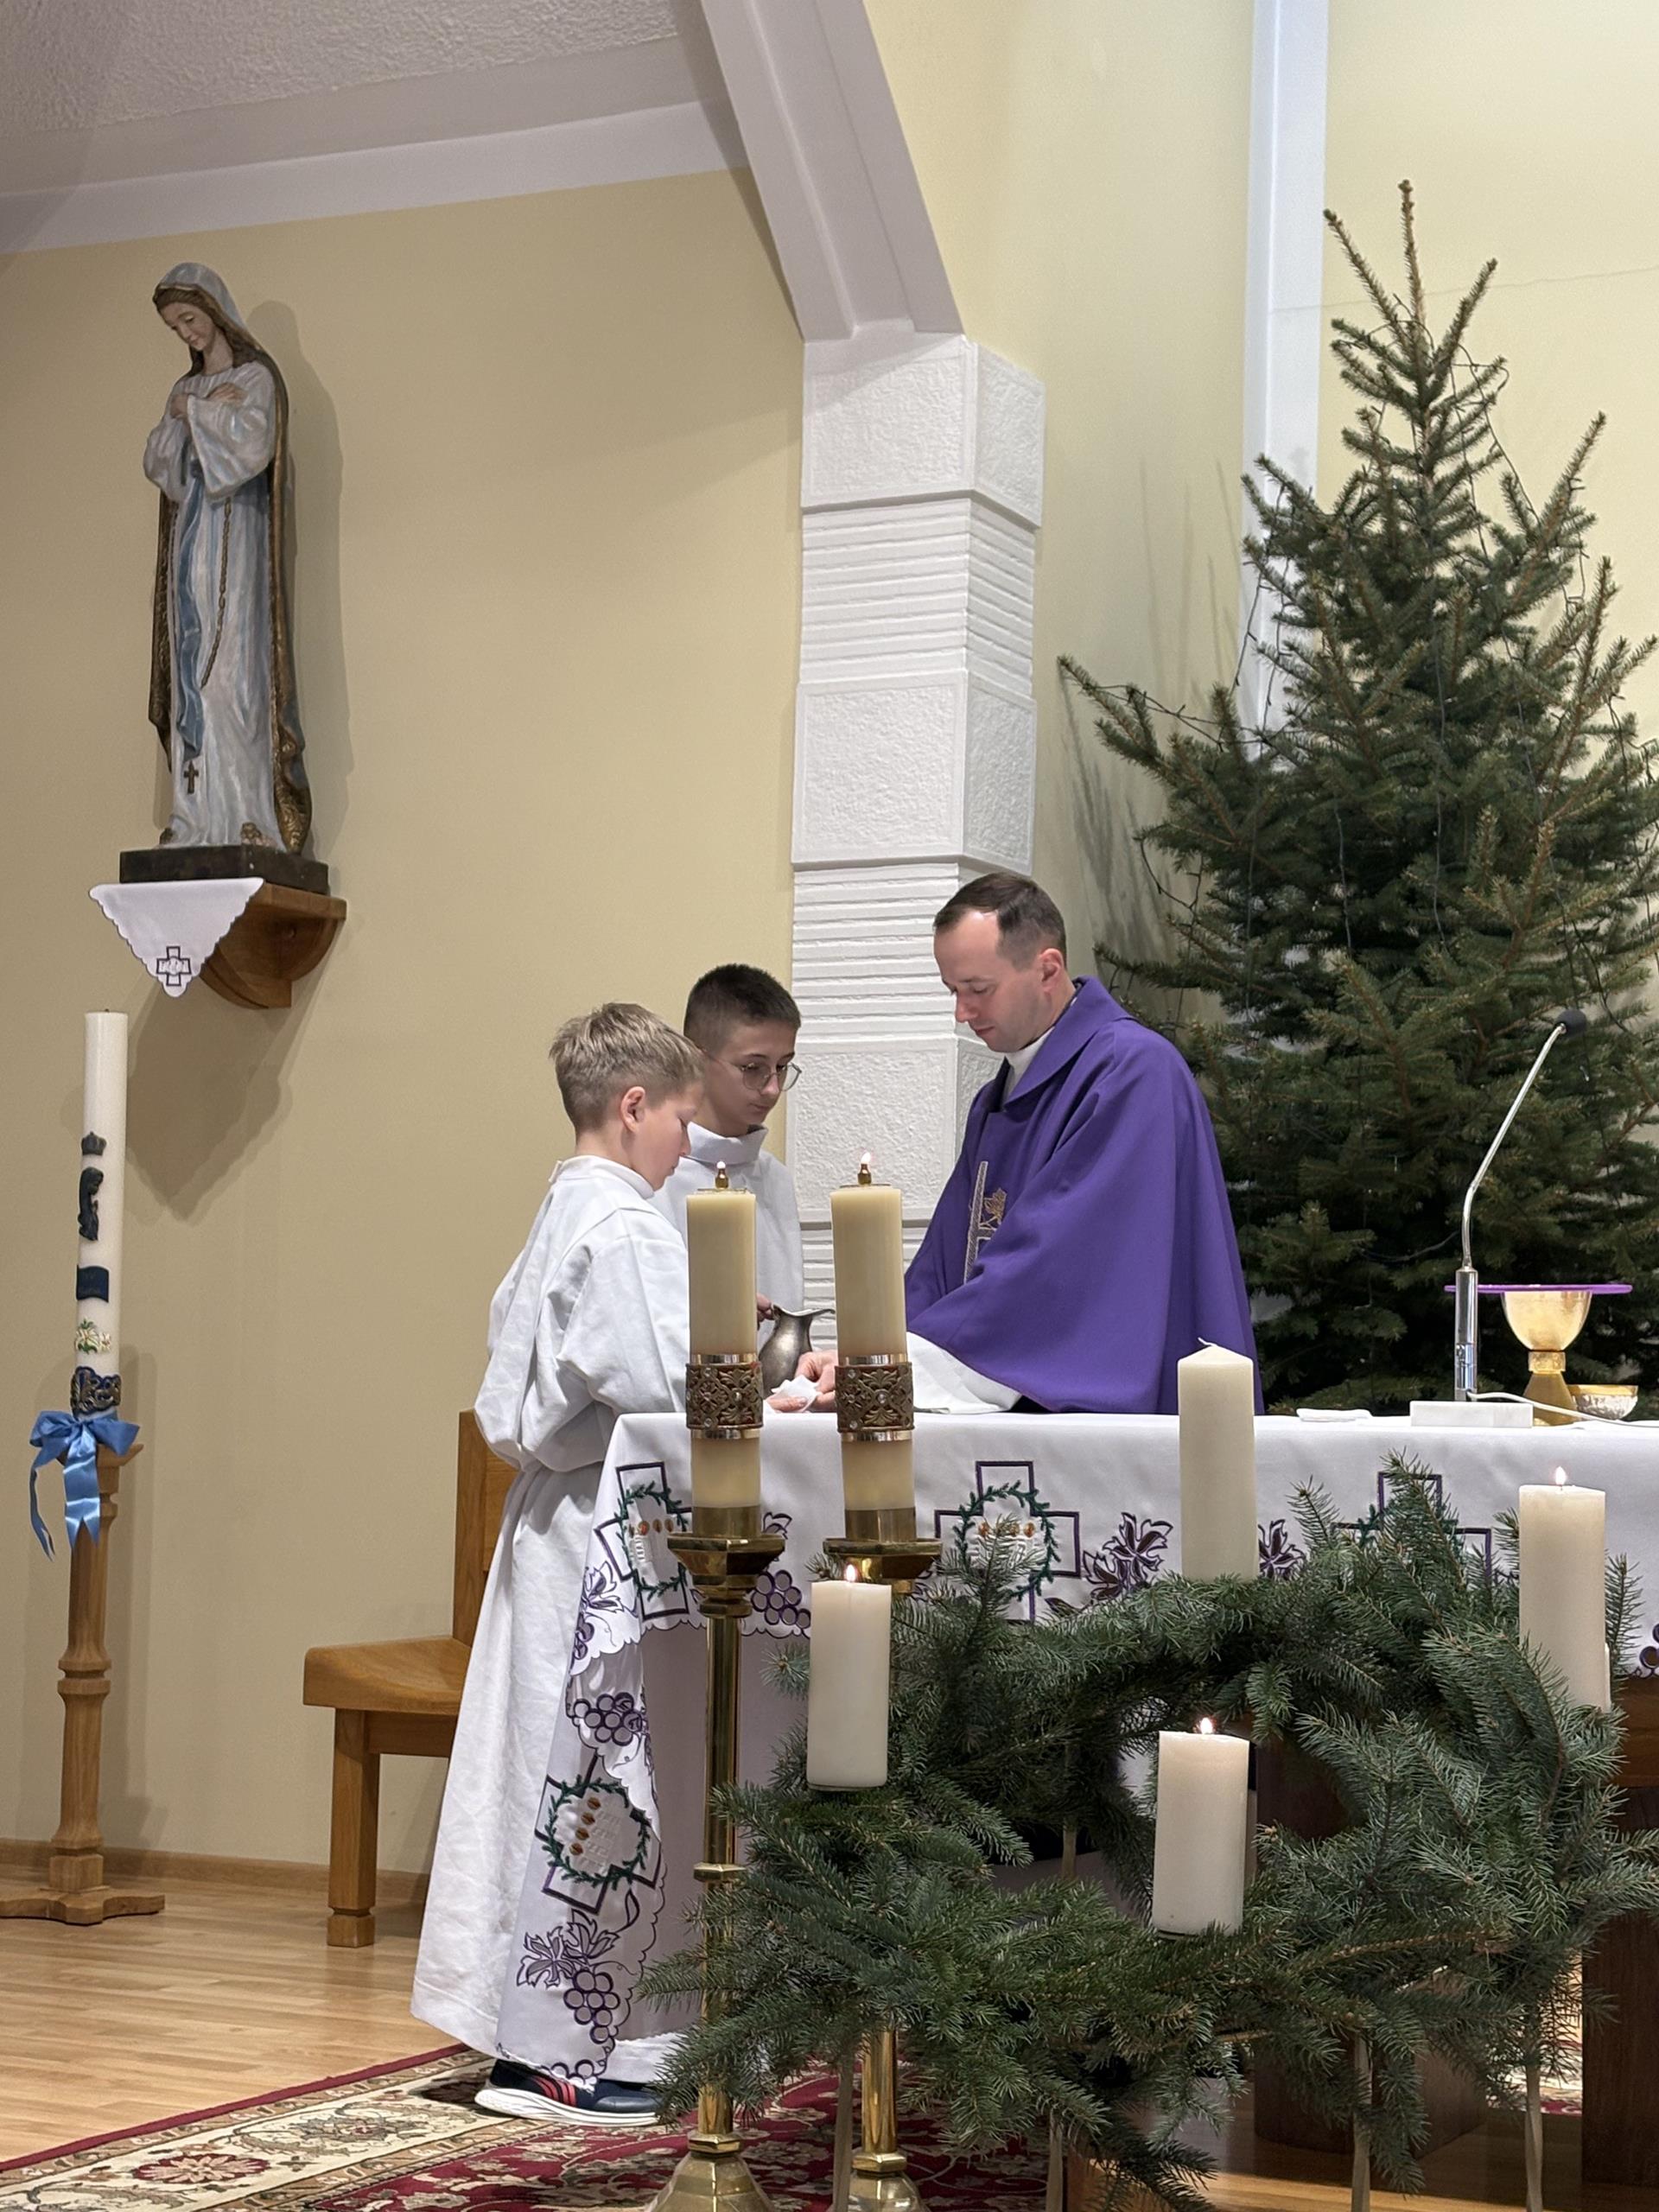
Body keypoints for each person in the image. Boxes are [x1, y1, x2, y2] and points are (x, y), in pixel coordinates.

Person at [411, 1004, 701, 2125]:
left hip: (556, 1522)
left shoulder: (562, 1210)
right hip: (602, 1526)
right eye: (679, 1118)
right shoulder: (624, 1228)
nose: (685, 1142)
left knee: (542, 1764)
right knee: (596, 1778)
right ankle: (572, 2049)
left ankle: (531, 2032)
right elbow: (670, 1388)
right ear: (633, 1107)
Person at [787, 873, 1255, 1414]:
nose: (962, 1013)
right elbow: (946, 1263)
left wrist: (906, 1364)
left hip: (1121, 1419)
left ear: (1048, 969)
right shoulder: (999, 1095)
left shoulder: (1131, 1072)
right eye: (954, 991)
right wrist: (872, 1354)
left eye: (978, 989)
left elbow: (1059, 1265)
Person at [143, 264, 312, 854]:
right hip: (191, 547)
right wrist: (196, 410)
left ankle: (249, 816)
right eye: (175, 327)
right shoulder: (185, 390)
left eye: (190, 319)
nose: (187, 333)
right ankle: (193, 820)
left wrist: (197, 415)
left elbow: (252, 447)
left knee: (234, 681)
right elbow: (158, 463)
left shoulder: (255, 378)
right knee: (192, 679)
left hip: (238, 546)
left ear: (215, 311)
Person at [655, 964, 805, 1312]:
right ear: (697, 1059)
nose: (772, 1088)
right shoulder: (659, 1179)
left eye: (782, 1066)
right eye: (753, 1068)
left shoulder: (776, 1178)